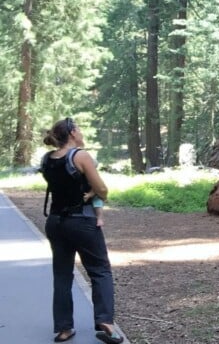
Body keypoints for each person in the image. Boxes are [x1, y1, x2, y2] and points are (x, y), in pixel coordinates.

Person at [40, 117, 124, 344]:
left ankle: (63, 329)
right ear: (72, 133)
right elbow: (102, 190)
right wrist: (95, 195)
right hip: (82, 221)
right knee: (100, 270)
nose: (82, 132)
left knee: (62, 274)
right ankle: (105, 322)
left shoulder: (47, 159)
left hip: (56, 222)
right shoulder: (81, 156)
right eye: (79, 128)